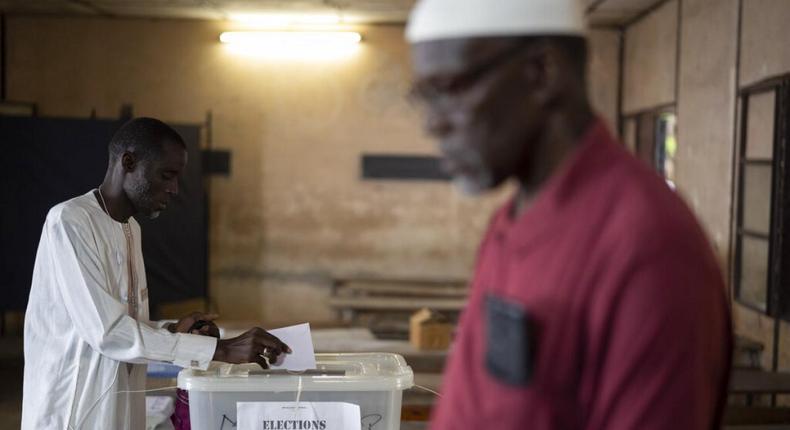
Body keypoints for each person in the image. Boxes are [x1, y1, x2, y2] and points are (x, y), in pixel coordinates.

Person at [405, 0, 732, 429]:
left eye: (448, 89)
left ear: (541, 72)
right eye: (423, 97)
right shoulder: (512, 220)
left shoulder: (646, 248)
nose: (433, 125)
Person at [22, 117, 290, 429]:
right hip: (75, 405)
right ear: (128, 162)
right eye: (167, 175)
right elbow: (106, 333)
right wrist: (222, 349)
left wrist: (172, 331)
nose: (174, 189)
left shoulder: (130, 228)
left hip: (121, 400)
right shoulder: (70, 221)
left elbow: (125, 323)